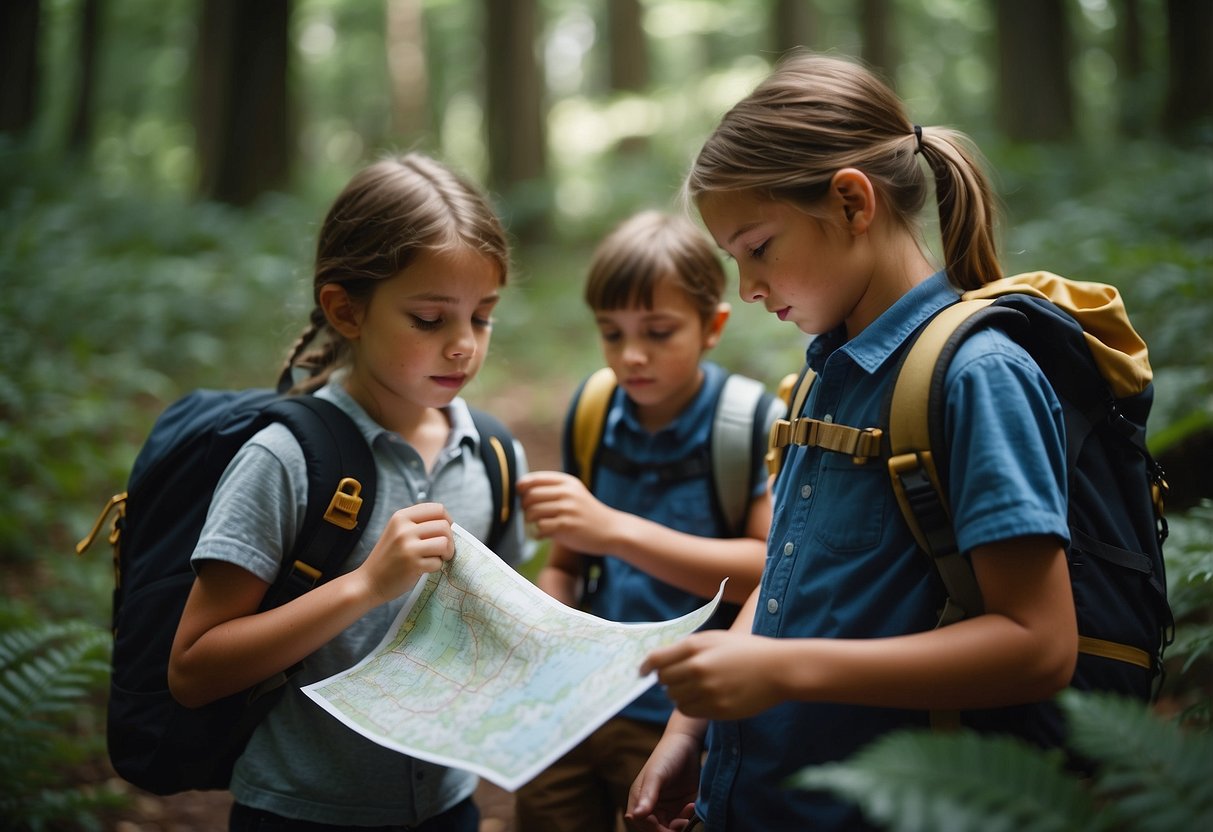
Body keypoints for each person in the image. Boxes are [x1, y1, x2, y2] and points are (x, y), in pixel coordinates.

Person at [626, 52, 1077, 832]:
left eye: (758, 247)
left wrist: (781, 669)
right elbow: (784, 578)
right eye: (733, 260)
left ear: (849, 202)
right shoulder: (820, 378)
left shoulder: (977, 376)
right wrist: (687, 732)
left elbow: (1037, 645)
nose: (747, 288)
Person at [167, 152, 530, 831]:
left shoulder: (493, 456)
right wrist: (363, 587)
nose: (463, 346)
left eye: (482, 317)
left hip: (449, 806)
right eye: (430, 319)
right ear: (346, 309)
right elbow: (193, 669)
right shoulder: (285, 461)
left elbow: (490, 635)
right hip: (300, 811)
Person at [514, 210, 777, 832]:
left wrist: (614, 529)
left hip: (680, 716)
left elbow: (767, 574)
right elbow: (566, 565)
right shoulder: (595, 410)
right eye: (611, 334)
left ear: (712, 326)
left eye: (658, 332)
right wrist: (547, 627)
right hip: (577, 708)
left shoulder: (745, 423)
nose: (631, 356)